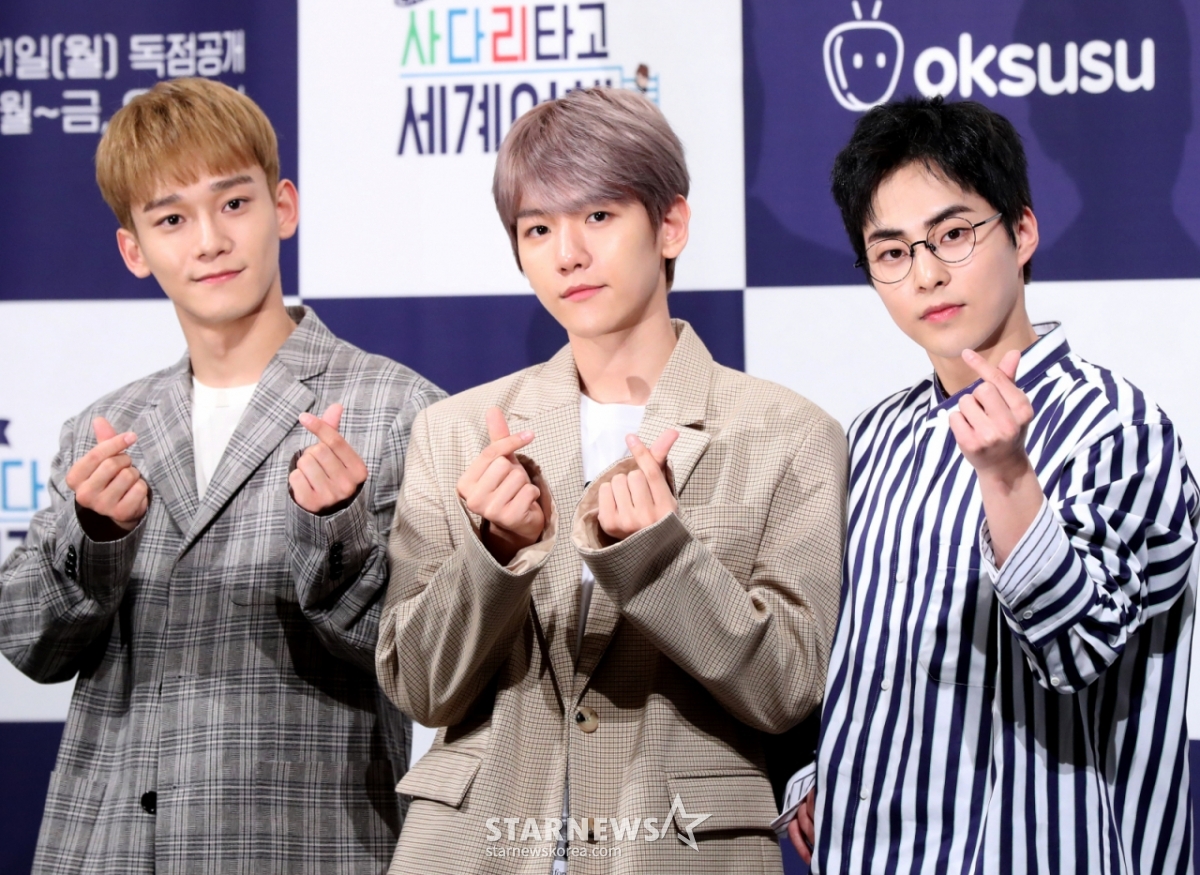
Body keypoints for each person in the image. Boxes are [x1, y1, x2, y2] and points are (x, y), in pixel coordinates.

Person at [376, 87, 847, 874]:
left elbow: (788, 687)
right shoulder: (455, 431)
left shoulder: (790, 434)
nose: (568, 253)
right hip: (476, 850)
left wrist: (662, 558)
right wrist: (494, 556)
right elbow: (421, 688)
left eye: (598, 216)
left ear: (671, 225)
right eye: (537, 228)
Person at [0, 78, 443, 874]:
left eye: (233, 204)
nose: (209, 240)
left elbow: (431, 663)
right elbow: (29, 643)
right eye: (171, 219)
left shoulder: (400, 409)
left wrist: (337, 531)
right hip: (106, 847)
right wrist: (93, 535)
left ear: (284, 207)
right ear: (134, 250)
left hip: (306, 844)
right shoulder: (105, 425)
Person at [788, 96, 1198, 874]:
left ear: (1023, 230)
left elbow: (1077, 650)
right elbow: (846, 642)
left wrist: (1008, 477)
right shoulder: (874, 434)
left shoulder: (1119, 427)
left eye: (953, 234)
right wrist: (818, 764)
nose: (928, 274)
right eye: (892, 252)